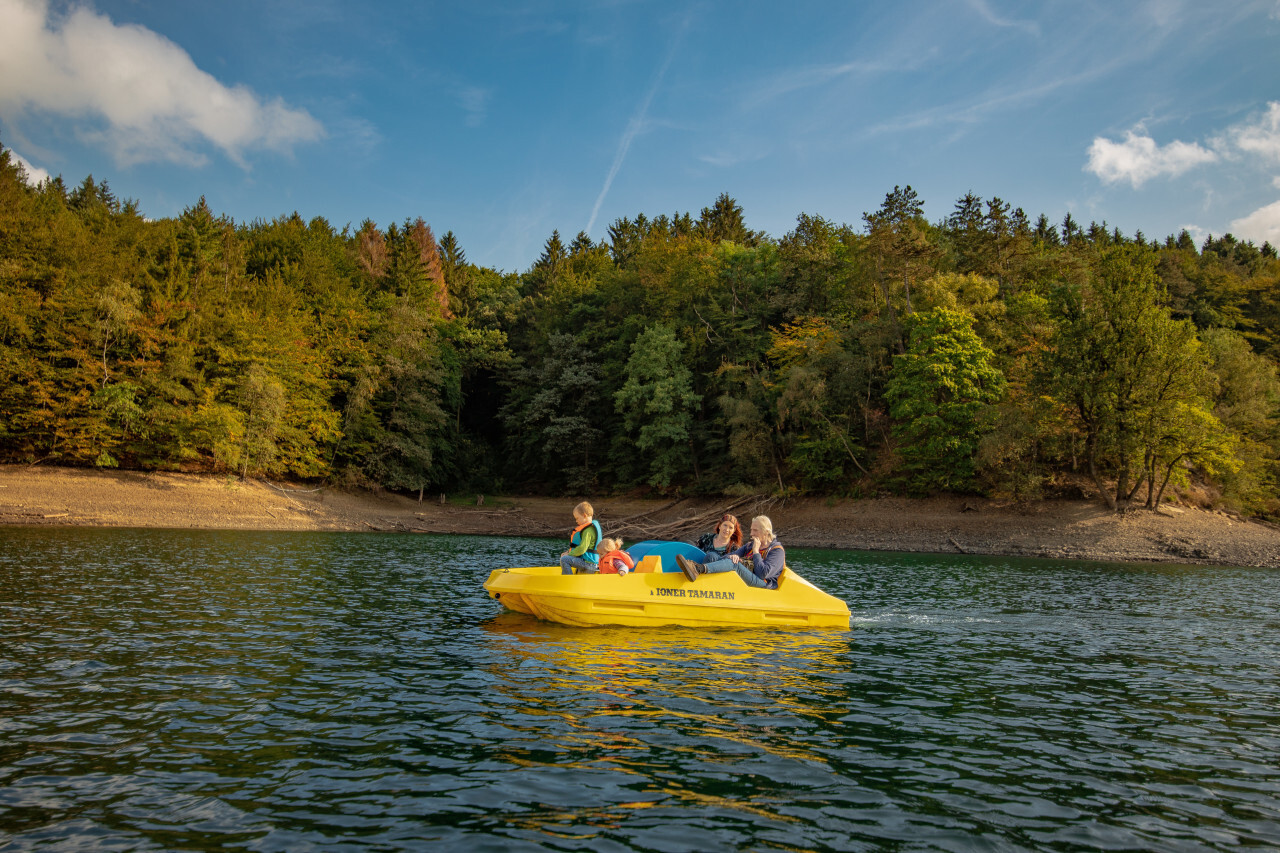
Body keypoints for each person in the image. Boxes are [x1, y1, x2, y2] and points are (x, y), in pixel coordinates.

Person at [676, 515, 785, 589]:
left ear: (766, 532)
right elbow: (725, 558)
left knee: (735, 564)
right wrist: (733, 557)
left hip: (763, 584)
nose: (751, 534)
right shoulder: (749, 546)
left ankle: (698, 569)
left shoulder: (777, 551)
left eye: (755, 530)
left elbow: (762, 574)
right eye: (751, 530)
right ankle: (699, 587)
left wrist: (756, 552)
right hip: (748, 575)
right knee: (712, 556)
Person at [560, 501, 602, 575]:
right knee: (565, 557)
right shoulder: (590, 528)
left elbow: (582, 549)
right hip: (590, 563)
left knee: (564, 559)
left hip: (589, 564)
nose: (576, 521)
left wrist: (569, 555)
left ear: (584, 515)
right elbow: (579, 547)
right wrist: (568, 552)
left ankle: (568, 580)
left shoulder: (588, 531)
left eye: (577, 518)